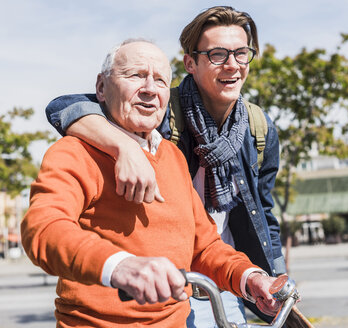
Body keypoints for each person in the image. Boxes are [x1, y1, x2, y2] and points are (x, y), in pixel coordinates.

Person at [45, 6, 286, 326]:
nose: (232, 65)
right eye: (217, 54)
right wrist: (125, 146)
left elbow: (264, 213)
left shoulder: (258, 128)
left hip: (226, 277)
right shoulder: (157, 116)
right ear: (190, 63)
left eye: (241, 53)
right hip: (161, 282)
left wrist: (272, 277)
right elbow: (64, 107)